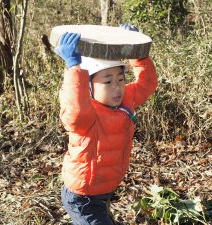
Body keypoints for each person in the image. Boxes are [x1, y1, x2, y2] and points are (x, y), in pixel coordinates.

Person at [55, 24, 158, 225]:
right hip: (82, 197)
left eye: (121, 79)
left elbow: (147, 83)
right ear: (89, 86)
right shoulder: (86, 115)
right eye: (107, 82)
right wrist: (74, 68)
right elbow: (75, 110)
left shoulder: (125, 100)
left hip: (103, 190)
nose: (117, 87)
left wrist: (138, 53)